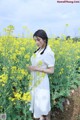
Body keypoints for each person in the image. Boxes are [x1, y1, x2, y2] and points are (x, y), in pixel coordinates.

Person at [27, 29, 55, 120]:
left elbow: (51, 70)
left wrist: (36, 68)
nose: (36, 42)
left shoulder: (48, 52)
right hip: (35, 79)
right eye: (35, 40)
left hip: (42, 82)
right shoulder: (39, 50)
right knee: (38, 104)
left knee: (42, 104)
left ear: (45, 40)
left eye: (38, 40)